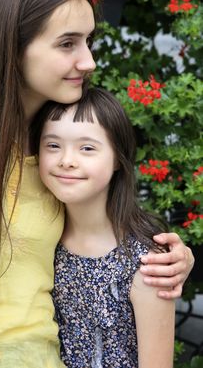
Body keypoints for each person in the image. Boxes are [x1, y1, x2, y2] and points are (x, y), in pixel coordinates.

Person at [0, 0, 193, 367]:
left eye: (88, 41)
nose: (89, 60)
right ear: (14, 47)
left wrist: (170, 258)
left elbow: (104, 238)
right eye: (67, 43)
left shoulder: (59, 157)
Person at [34, 87, 175, 368]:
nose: (67, 160)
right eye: (53, 145)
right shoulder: (38, 239)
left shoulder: (146, 263)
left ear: (117, 160)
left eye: (87, 148)